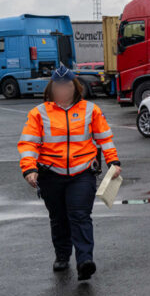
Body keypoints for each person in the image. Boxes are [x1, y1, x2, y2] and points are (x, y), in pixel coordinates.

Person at [18, 65, 121, 281]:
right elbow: (29, 144)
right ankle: (62, 255)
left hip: (82, 172)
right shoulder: (39, 113)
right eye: (58, 87)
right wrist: (29, 168)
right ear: (52, 88)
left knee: (80, 215)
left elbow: (104, 138)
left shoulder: (90, 110)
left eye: (67, 87)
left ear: (74, 88)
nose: (63, 91)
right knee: (59, 217)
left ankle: (85, 261)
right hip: (51, 174)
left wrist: (113, 161)